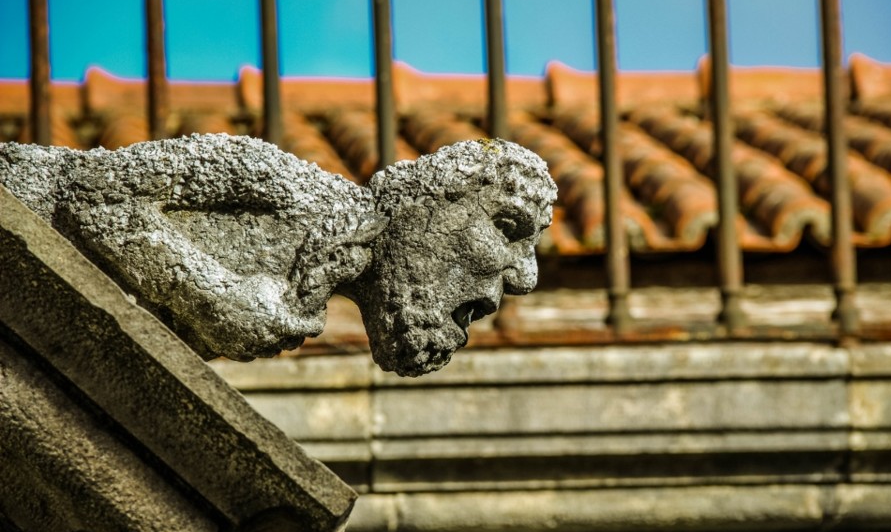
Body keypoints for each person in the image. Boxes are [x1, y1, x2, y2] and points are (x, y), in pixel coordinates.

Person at [0, 134, 556, 376]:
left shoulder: (302, 304)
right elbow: (93, 194)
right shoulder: (288, 187)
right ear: (425, 201)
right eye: (507, 228)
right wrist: (217, 297)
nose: (518, 280)